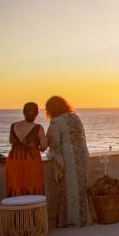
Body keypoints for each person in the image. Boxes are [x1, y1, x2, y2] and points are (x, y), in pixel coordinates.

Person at [45, 96, 91, 227]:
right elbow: (83, 138)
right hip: (82, 156)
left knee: (69, 190)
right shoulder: (75, 118)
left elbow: (53, 144)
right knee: (81, 188)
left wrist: (58, 162)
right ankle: (83, 218)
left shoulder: (56, 122)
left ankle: (70, 220)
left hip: (68, 159)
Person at [6, 102, 48, 197]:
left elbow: (11, 141)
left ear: (23, 112)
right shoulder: (38, 128)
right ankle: (32, 211)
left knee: (16, 188)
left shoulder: (14, 126)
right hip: (31, 161)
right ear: (36, 113)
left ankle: (17, 211)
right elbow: (44, 146)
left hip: (14, 160)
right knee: (33, 188)